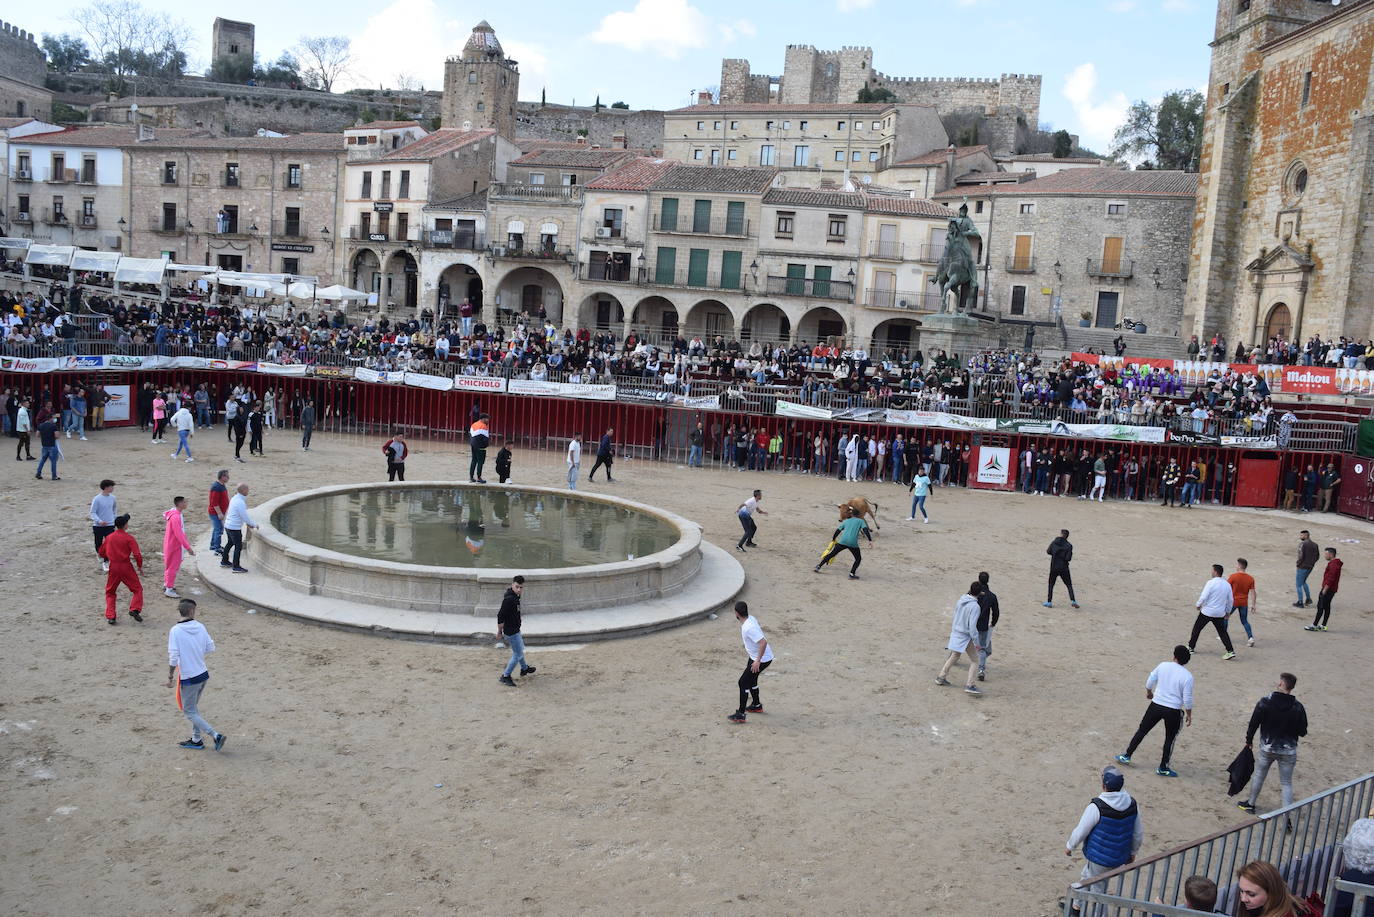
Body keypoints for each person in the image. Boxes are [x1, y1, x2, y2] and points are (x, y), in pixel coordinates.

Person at [1064, 766, 1142, 899]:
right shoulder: (1132, 804)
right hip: (1119, 855)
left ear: (1103, 785)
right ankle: (1076, 907)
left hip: (1100, 857)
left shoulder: (1097, 807)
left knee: (1098, 891)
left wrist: (1070, 846)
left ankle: (1089, 910)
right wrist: (1133, 852)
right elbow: (1138, 833)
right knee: (1087, 876)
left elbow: (1082, 830)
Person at [1116, 645, 1193, 778]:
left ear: (1174, 655)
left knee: (1142, 730)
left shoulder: (1163, 666)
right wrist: (1189, 714)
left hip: (1156, 705)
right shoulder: (1187, 676)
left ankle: (1127, 755)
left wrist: (1149, 693)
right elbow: (1187, 699)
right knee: (1170, 738)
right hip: (1173, 710)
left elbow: (1150, 681)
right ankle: (1163, 767)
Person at [1238, 672, 1308, 814]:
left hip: (1268, 747)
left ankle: (1251, 803)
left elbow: (1253, 723)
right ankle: (1287, 814)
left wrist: (1249, 740)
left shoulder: (1265, 701)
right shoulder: (1298, 707)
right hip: (1288, 750)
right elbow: (1302, 731)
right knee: (1286, 783)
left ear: (1281, 684)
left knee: (1259, 775)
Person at [165, 599, 226, 752]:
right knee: (193, 708)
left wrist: (170, 676)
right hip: (203, 674)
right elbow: (210, 647)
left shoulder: (175, 631)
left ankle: (215, 735)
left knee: (189, 711)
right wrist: (195, 653)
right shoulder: (200, 626)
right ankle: (196, 740)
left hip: (189, 678)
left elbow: (173, 657)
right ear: (192, 611)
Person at [727, 599, 773, 723]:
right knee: (752, 679)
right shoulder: (751, 619)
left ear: (737, 613)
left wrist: (758, 661)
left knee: (742, 682)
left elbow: (763, 642)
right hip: (756, 656)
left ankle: (741, 714)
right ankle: (756, 705)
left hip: (761, 658)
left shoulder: (748, 627)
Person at [935, 581, 985, 696]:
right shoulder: (975, 607)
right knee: (975, 660)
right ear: (979, 593)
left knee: (955, 655)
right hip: (965, 636)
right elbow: (972, 628)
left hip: (956, 632)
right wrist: (977, 643)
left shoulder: (961, 599)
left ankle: (941, 677)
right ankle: (970, 684)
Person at [98, 514, 144, 626]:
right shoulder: (129, 538)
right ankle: (135, 609)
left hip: (113, 567)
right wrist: (139, 566)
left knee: (110, 592)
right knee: (137, 589)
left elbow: (101, 552)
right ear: (126, 525)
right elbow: (137, 554)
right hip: (126, 566)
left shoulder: (109, 537)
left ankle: (111, 616)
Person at [1234, 860, 1320, 917]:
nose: (1243, 899)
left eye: (1251, 894)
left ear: (1271, 893)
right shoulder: (1289, 901)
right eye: (1242, 891)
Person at [1188, 563, 1237, 660]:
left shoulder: (1210, 583)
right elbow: (1230, 600)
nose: (1211, 572)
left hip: (1207, 611)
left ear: (1215, 572)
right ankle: (1230, 651)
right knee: (1222, 632)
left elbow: (1204, 596)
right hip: (1219, 613)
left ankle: (1191, 647)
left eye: (1212, 570)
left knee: (1197, 629)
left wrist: (1198, 604)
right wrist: (1227, 612)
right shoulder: (1227, 585)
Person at [496, 575, 535, 686]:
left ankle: (524, 668)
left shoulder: (515, 596)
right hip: (511, 631)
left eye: (521, 587)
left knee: (519, 650)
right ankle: (505, 676)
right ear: (512, 585)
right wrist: (499, 632)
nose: (519, 589)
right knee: (517, 654)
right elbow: (500, 616)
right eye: (517, 587)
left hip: (515, 629)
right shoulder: (509, 600)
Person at [813, 507, 873, 579]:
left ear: (852, 514)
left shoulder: (846, 521)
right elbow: (866, 530)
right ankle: (851, 574)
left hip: (843, 541)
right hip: (852, 543)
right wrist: (870, 540)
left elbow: (838, 530)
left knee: (832, 554)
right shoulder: (861, 521)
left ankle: (819, 566)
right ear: (859, 515)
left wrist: (834, 539)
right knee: (858, 559)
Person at [162, 496, 196, 599]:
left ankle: (167, 584)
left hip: (170, 544)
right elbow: (179, 534)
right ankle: (169, 589)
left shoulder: (174, 513)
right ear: (180, 504)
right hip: (174, 546)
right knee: (173, 567)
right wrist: (188, 548)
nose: (186, 503)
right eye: (185, 502)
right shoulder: (176, 517)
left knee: (170, 566)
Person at [221, 483, 258, 573]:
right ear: (244, 491)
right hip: (234, 528)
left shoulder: (234, 498)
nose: (248, 491)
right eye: (247, 490)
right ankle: (236, 567)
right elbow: (245, 517)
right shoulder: (240, 502)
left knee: (230, 543)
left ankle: (224, 561)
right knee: (238, 546)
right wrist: (254, 524)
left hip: (228, 525)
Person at [1306, 547, 1342, 631]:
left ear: (1330, 554)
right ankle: (1323, 625)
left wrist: (1324, 590)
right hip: (1331, 589)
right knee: (1326, 607)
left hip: (1328, 589)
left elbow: (1331, 579)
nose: (1325, 556)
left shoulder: (1333, 565)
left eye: (1326, 554)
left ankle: (1315, 625)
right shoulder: (1335, 564)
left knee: (1321, 607)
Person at [974, 570, 1000, 682]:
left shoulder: (973, 593)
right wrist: (993, 623)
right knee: (984, 650)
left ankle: (952, 658)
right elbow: (996, 612)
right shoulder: (992, 596)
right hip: (983, 626)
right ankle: (981, 670)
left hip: (971, 624)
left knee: (962, 642)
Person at [1228, 558, 1258, 648]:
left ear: (1240, 566)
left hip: (1234, 601)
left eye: (1237, 565)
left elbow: (1226, 588)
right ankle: (1250, 638)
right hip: (1244, 602)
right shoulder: (1250, 579)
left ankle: (1223, 635)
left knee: (1225, 618)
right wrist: (1253, 604)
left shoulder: (1233, 576)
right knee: (1244, 620)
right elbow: (1253, 592)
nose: (1236, 566)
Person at [1045, 529, 1079, 608]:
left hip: (1054, 566)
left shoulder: (1054, 542)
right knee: (1069, 585)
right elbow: (1068, 558)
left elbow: (1048, 551)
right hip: (1064, 568)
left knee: (1051, 584)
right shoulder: (1069, 546)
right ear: (1067, 537)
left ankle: (1049, 602)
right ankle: (1073, 600)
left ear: (1061, 534)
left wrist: (1055, 553)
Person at [89, 478, 118, 572]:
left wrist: (113, 519)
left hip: (110, 525)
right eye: (111, 487)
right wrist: (99, 521)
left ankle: (106, 561)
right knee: (98, 544)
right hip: (98, 526)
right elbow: (92, 512)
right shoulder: (97, 499)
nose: (113, 488)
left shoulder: (113, 498)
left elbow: (114, 509)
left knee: (109, 544)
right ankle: (100, 555)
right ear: (106, 487)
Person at [207, 469, 230, 557]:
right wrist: (219, 513)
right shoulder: (216, 487)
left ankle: (213, 545)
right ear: (222, 477)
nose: (228, 478)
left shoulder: (222, 485)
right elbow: (214, 503)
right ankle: (217, 549)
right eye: (227, 476)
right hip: (215, 513)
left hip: (219, 512)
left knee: (216, 529)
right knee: (219, 529)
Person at [1293, 530, 1317, 608]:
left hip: (1302, 567)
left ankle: (1300, 602)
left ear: (1306, 535)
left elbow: (1301, 556)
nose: (1300, 537)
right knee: (1303, 582)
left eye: (1302, 535)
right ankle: (1308, 599)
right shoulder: (1315, 545)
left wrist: (1298, 564)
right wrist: (1312, 563)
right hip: (1310, 566)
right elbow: (1317, 556)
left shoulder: (1303, 544)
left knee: (1298, 584)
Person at [34, 413, 59, 480]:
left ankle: (38, 473)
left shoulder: (41, 425)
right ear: (50, 418)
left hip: (44, 445)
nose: (54, 419)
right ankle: (54, 476)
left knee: (43, 459)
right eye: (53, 418)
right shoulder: (53, 426)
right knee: (53, 461)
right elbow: (56, 436)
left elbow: (37, 435)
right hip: (52, 445)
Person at [469, 412, 490, 483]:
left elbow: (471, 435)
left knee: (473, 461)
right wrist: (486, 445)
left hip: (473, 445)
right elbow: (485, 439)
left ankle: (471, 477)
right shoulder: (484, 426)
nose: (488, 420)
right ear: (483, 419)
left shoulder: (474, 424)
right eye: (487, 419)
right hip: (481, 447)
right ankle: (479, 477)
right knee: (480, 462)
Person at [16, 397, 34, 461]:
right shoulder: (22, 411)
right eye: (27, 403)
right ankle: (18, 456)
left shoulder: (23, 410)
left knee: (27, 443)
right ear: (23, 404)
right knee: (22, 443)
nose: (28, 404)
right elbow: (23, 422)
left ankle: (28, 455)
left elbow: (25, 421)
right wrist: (27, 430)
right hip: (22, 430)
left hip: (23, 429)